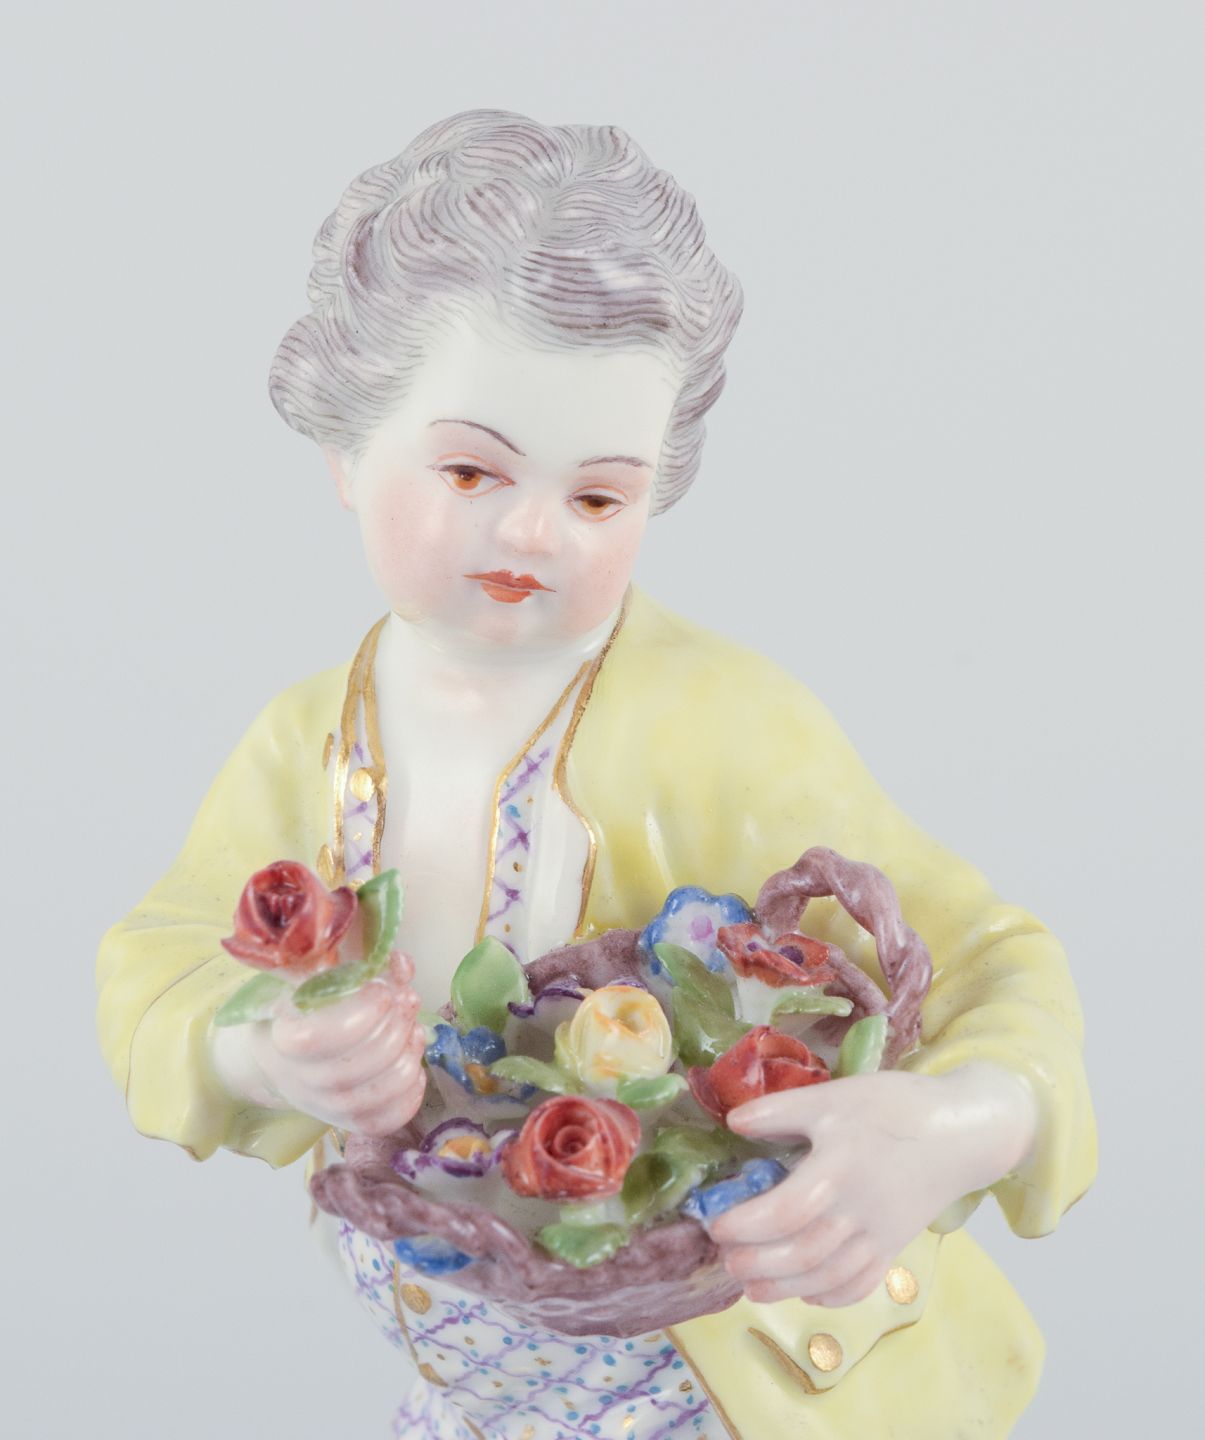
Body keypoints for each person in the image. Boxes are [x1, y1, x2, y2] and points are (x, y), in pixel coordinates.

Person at [97, 109, 1096, 1438]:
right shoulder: (310, 738)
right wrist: (266, 1054)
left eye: (597, 498)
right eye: (471, 469)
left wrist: (956, 1122)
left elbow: (988, 961)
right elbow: (161, 961)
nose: (530, 531)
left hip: (714, 1375)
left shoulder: (723, 726)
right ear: (347, 447)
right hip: (462, 1381)